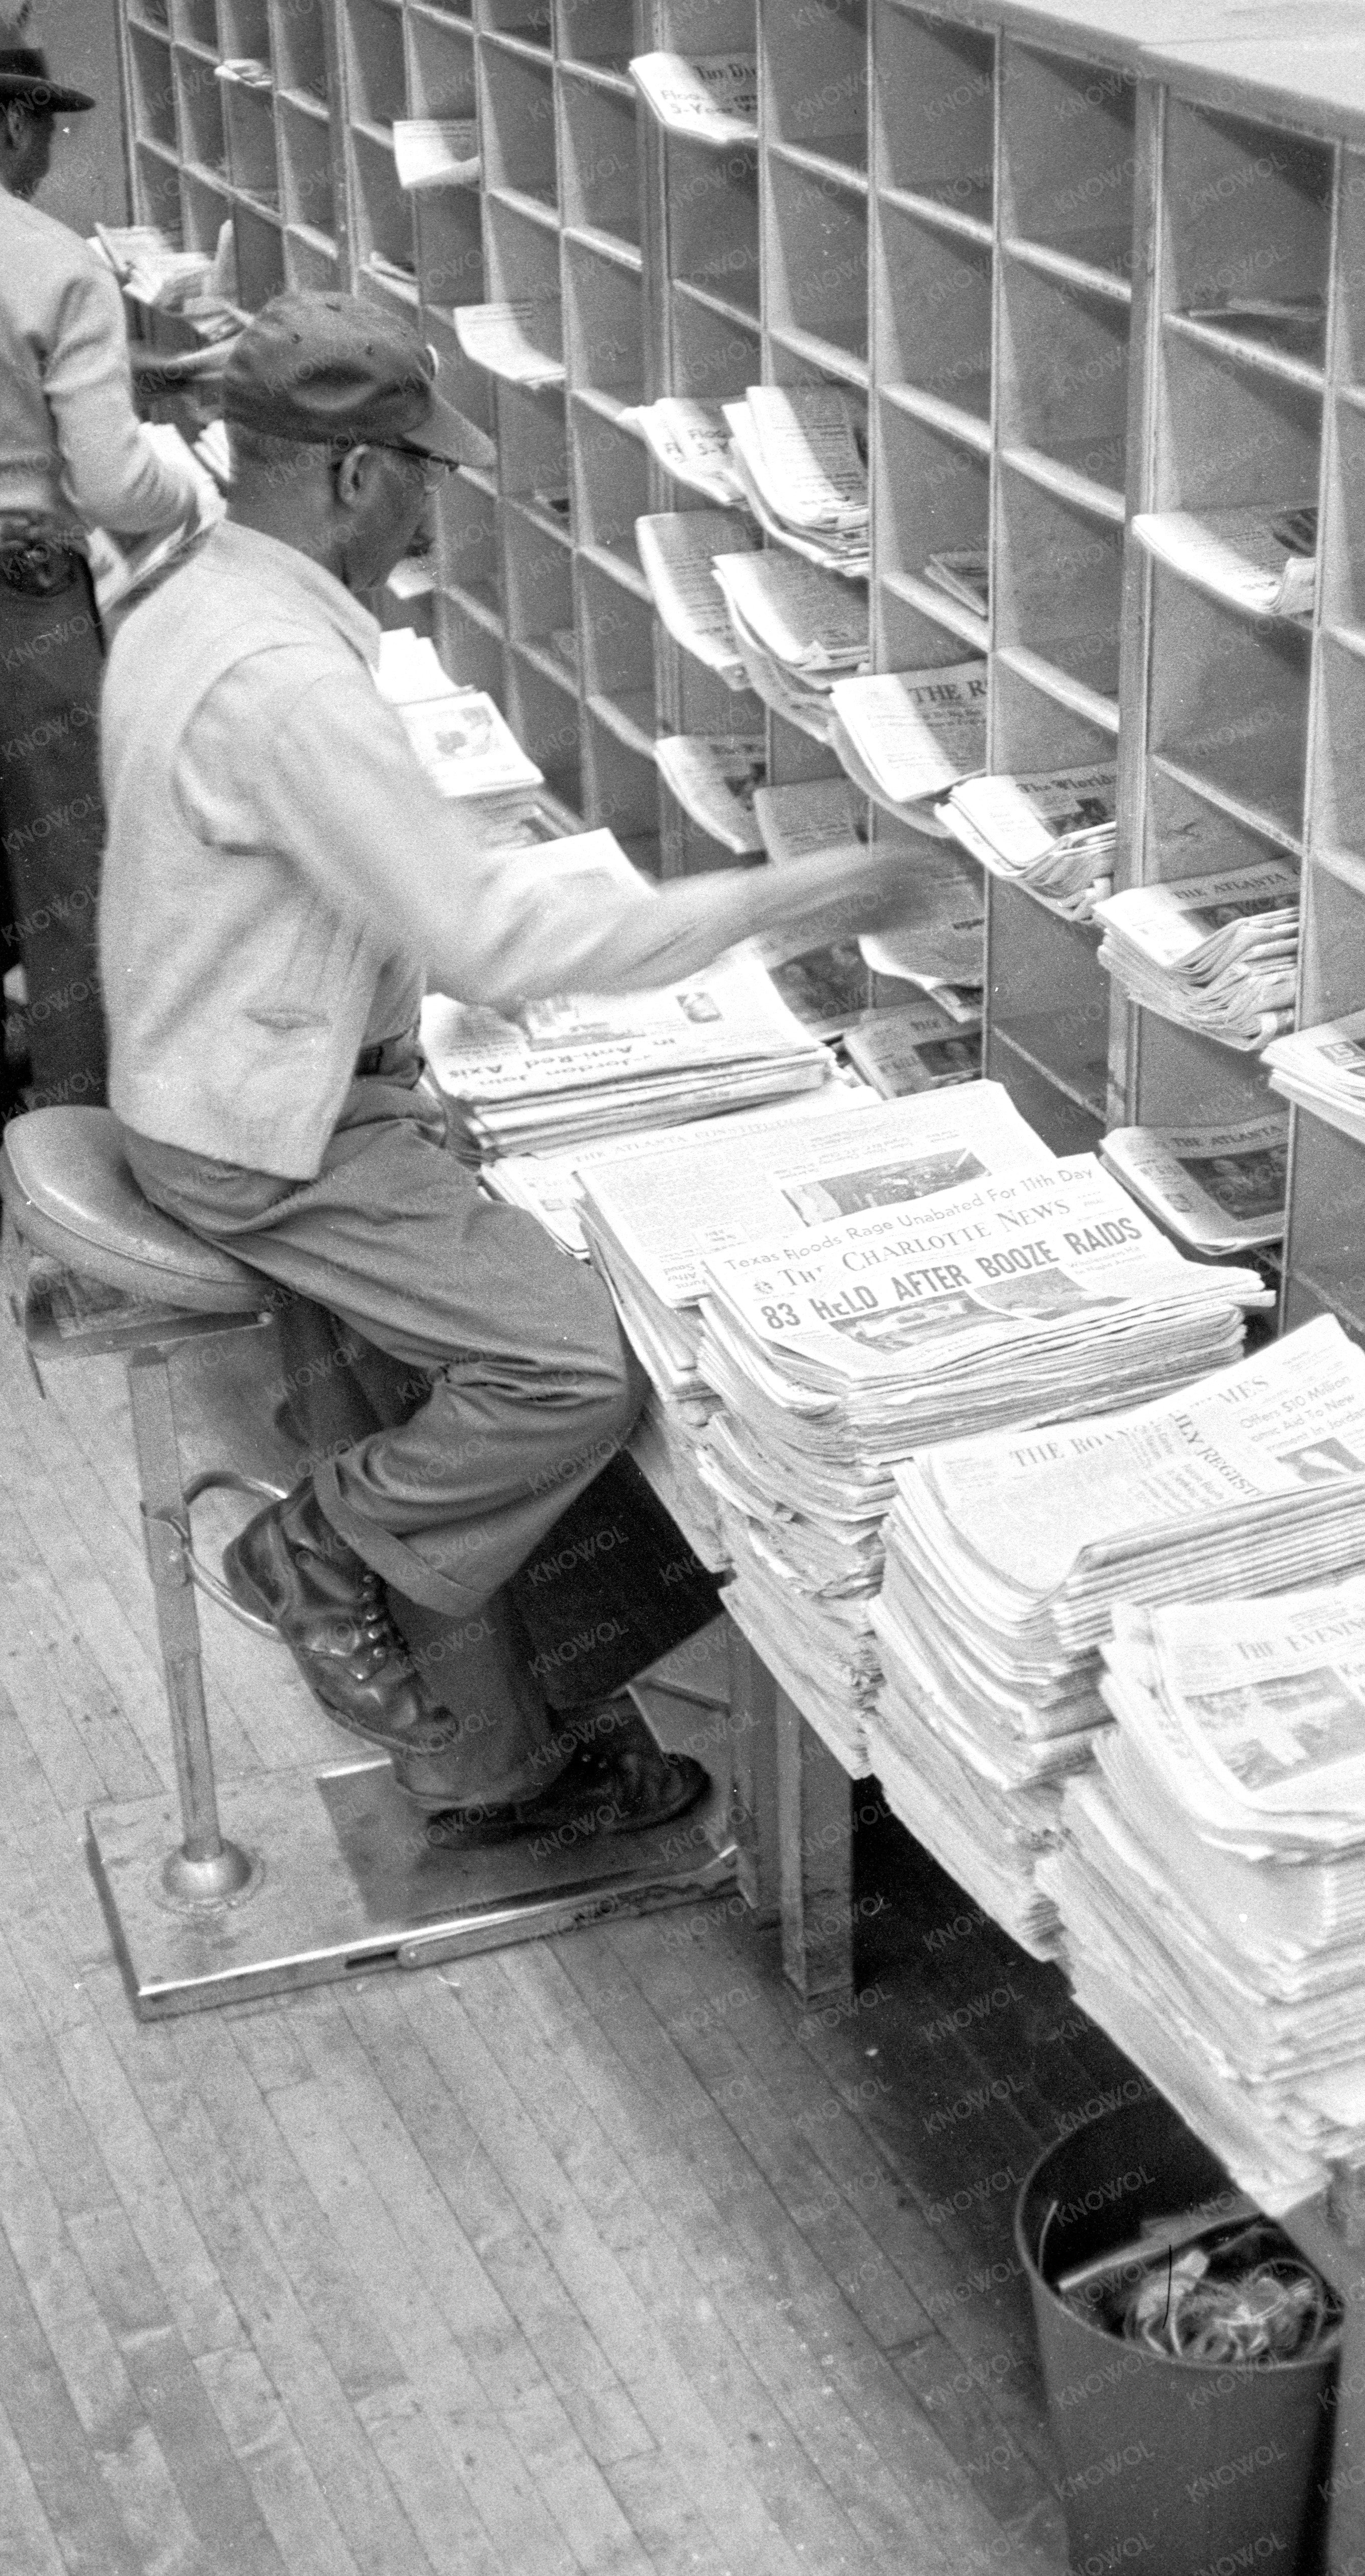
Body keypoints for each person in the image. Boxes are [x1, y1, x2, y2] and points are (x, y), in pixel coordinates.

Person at [98, 289, 950, 1847]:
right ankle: (319, 1550)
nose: (432, 498)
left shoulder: (201, 596)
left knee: (530, 1323)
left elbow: (304, 887)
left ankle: (498, 1746)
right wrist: (791, 898)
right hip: (261, 1132)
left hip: (242, 1076)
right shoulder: (288, 682)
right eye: (420, 468)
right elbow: (496, 946)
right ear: (355, 477)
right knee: (566, 1367)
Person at [0, 0, 202, 1117]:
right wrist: (195, 490)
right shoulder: (51, 259)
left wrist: (138, 377)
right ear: (12, 126)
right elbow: (119, 486)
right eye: (45, 128)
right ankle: (78, 1132)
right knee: (70, 878)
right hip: (20, 595)